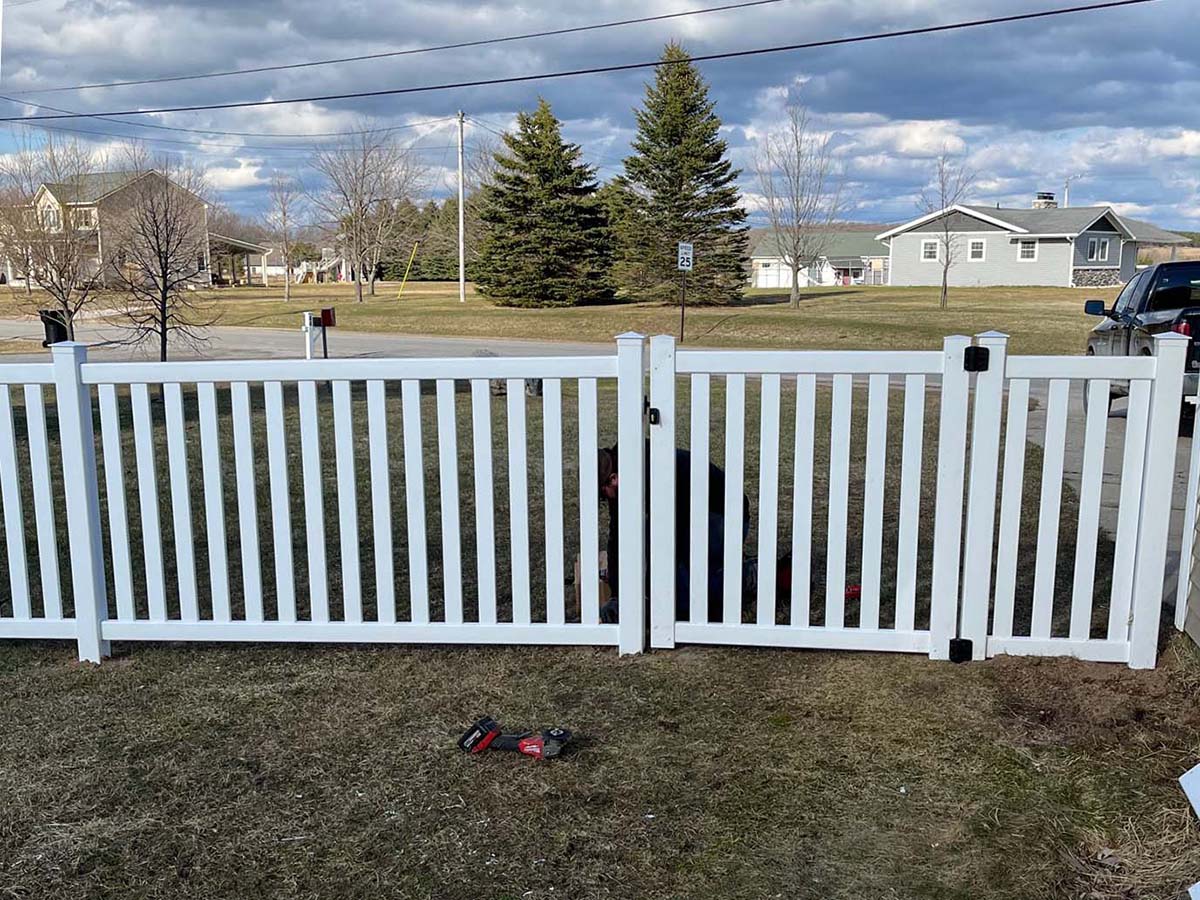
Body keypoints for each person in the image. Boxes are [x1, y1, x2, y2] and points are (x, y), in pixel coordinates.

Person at [597, 442, 750, 623]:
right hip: (691, 519)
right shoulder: (625, 474)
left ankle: (746, 576)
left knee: (683, 600)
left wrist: (647, 590)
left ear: (613, 479)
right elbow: (617, 537)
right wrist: (617, 595)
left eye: (603, 494)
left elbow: (666, 540)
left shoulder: (653, 473)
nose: (605, 499)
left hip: (725, 517)